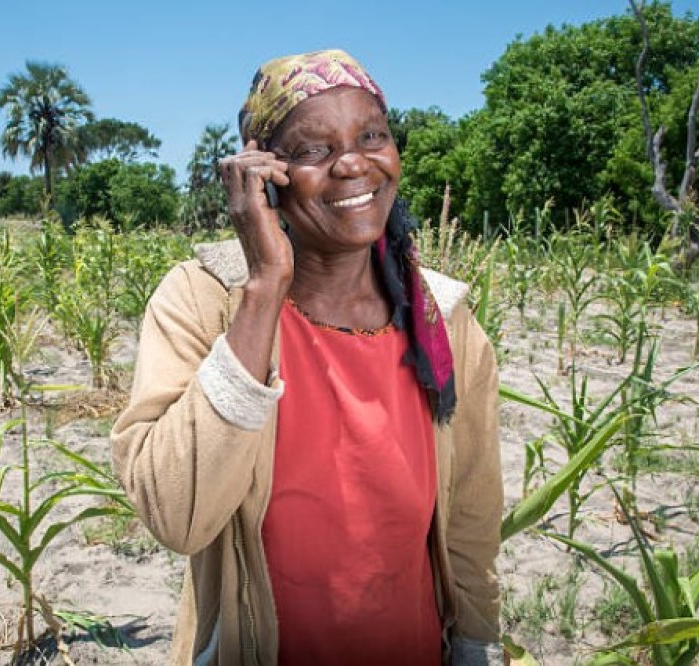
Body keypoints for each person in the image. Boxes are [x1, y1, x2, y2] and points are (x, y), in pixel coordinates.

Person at [112, 49, 503, 665]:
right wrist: (265, 284)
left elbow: (472, 515)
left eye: (372, 135)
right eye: (313, 150)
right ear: (263, 171)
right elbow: (176, 514)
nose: (353, 163)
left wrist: (477, 642)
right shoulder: (203, 300)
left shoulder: (443, 323)